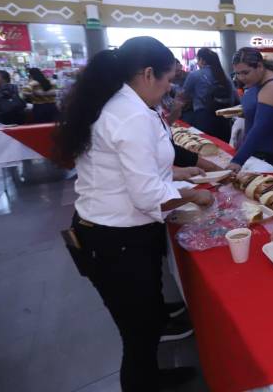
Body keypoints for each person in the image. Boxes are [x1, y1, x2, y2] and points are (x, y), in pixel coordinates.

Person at [54, 36, 214, 392]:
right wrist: (193, 194)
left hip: (110, 235)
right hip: (115, 241)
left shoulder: (123, 106)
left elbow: (128, 168)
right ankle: (143, 384)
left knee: (148, 318)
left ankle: (153, 378)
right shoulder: (129, 116)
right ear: (146, 74)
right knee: (138, 335)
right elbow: (146, 195)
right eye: (168, 79)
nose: (170, 87)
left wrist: (176, 173)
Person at [228, 48, 273, 174]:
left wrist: (238, 160)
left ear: (260, 66)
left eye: (245, 73)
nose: (241, 78)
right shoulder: (258, 80)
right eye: (237, 73)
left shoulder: (272, 87)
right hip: (266, 146)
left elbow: (260, 128)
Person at [181, 47, 237, 141]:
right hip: (224, 118)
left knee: (206, 147)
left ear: (202, 60)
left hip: (204, 118)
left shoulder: (195, 75)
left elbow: (183, 95)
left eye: (197, 59)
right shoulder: (224, 75)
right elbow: (234, 95)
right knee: (223, 148)